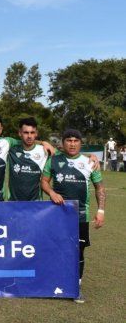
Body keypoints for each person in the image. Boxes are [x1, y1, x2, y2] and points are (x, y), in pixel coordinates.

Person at [41, 129, 105, 303]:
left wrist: (101, 211)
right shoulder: (54, 160)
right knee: (56, 249)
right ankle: (55, 283)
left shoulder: (90, 162)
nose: (72, 143)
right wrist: (52, 193)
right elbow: (44, 182)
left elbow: (99, 188)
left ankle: (76, 287)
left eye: (76, 140)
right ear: (63, 142)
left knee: (78, 251)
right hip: (58, 214)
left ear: (80, 143)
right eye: (68, 140)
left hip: (80, 216)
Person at [6, 117, 49, 201]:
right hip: (14, 202)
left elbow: (64, 154)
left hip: (35, 203)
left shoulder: (44, 151)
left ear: (36, 133)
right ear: (20, 133)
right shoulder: (11, 149)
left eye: (32, 132)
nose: (29, 136)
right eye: (26, 132)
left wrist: (45, 143)